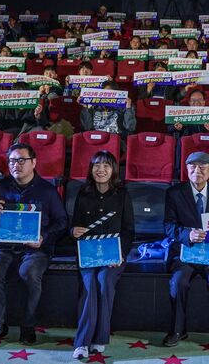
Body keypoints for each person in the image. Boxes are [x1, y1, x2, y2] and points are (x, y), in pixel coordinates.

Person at [0, 143, 68, 346]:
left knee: (29, 273)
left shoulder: (48, 191)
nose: (16, 165)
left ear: (34, 162)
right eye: (12, 161)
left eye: (21, 160)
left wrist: (44, 237)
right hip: (4, 247)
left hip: (35, 249)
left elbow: (62, 222)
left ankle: (28, 325)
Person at [162, 152, 209, 349]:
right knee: (178, 282)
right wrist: (187, 235)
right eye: (192, 167)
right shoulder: (174, 192)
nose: (197, 171)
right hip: (185, 254)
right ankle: (177, 330)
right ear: (186, 170)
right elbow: (168, 226)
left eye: (202, 167)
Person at [70, 151, 135, 359]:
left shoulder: (122, 195)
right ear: (91, 169)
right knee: (89, 284)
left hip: (113, 256)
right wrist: (73, 231)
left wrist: (120, 254)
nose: (101, 169)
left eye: (106, 165)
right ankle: (82, 343)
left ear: (113, 170)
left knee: (104, 280)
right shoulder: (82, 193)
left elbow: (129, 231)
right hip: (88, 254)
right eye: (97, 165)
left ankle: (100, 337)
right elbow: (74, 225)